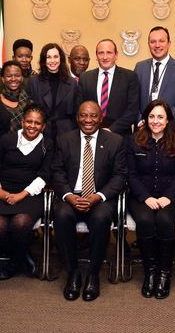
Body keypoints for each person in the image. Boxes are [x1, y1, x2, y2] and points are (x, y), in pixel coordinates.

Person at [51, 101, 127, 302]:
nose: (88, 120)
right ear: (77, 118)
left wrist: (98, 196)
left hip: (99, 196)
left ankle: (93, 274)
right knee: (61, 215)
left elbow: (120, 175)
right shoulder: (64, 140)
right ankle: (73, 272)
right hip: (71, 195)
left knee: (102, 218)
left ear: (100, 118)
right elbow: (57, 172)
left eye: (93, 116)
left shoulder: (115, 141)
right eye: (83, 115)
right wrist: (69, 195)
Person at [126, 100, 175, 299]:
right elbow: (131, 175)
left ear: (168, 119)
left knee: (163, 220)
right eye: (151, 116)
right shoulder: (134, 141)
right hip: (141, 197)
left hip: (171, 198)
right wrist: (146, 197)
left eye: (160, 116)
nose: (156, 121)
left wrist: (168, 197)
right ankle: (150, 272)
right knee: (144, 220)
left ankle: (164, 274)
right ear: (146, 118)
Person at [0, 104, 53, 280]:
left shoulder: (48, 144)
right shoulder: (7, 140)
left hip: (30, 193)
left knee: (20, 223)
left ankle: (13, 264)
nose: (32, 126)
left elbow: (44, 175)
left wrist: (22, 195)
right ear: (22, 122)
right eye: (29, 121)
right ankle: (23, 256)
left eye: (37, 123)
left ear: (43, 126)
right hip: (2, 190)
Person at [134, 26, 175, 135]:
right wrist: (141, 121)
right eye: (153, 42)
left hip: (171, 132)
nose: (157, 45)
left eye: (161, 41)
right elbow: (133, 99)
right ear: (148, 44)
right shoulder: (140, 67)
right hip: (142, 131)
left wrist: (162, 121)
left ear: (169, 43)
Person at [79, 39, 140, 137]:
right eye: (101, 53)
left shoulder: (130, 77)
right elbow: (80, 109)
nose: (105, 57)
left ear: (116, 55)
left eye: (109, 53)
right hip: (91, 136)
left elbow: (132, 110)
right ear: (96, 56)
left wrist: (112, 129)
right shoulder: (85, 78)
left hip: (121, 137)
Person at [26, 43, 81, 138]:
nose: (52, 61)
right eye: (48, 57)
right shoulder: (34, 82)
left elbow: (76, 112)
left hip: (66, 134)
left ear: (61, 59)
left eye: (55, 57)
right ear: (44, 60)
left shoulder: (72, 83)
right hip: (40, 134)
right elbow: (28, 111)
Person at [0, 60, 32, 146]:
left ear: (22, 78)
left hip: (27, 150)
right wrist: (3, 150)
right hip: (2, 152)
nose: (13, 79)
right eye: (9, 76)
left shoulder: (29, 102)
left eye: (17, 75)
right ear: (3, 79)